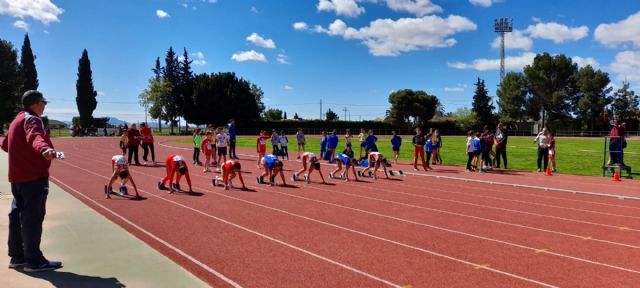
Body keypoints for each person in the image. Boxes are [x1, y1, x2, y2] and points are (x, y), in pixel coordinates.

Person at [2, 90, 63, 272]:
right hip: (33, 178)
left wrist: (23, 154)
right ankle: (34, 261)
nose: (44, 105)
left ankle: (17, 257)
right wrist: (44, 149)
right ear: (36, 103)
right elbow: (34, 136)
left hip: (17, 177)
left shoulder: (16, 120)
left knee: (17, 216)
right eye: (44, 102)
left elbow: (5, 145)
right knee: (32, 218)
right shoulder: (32, 119)